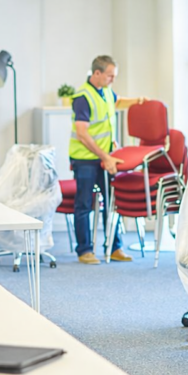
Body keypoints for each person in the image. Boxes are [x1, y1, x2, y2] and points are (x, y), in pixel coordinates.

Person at [69, 55, 147, 265]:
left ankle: (114, 247)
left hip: (106, 159)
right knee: (84, 204)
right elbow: (82, 134)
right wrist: (106, 156)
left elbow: (117, 100)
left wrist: (138, 101)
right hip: (85, 159)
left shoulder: (105, 92)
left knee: (113, 203)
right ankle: (84, 250)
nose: (112, 79)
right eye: (110, 75)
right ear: (97, 73)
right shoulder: (82, 97)